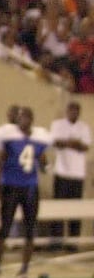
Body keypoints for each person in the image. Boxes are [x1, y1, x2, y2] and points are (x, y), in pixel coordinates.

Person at [0, 106, 50, 278]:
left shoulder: (39, 139)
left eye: (28, 117)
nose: (25, 120)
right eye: (22, 117)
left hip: (30, 187)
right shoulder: (9, 138)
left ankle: (23, 271)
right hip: (10, 186)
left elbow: (44, 163)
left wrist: (45, 164)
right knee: (4, 229)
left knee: (30, 231)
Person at [47, 101, 89, 249]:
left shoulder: (84, 127)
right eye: (71, 110)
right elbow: (55, 142)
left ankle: (72, 243)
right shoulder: (58, 125)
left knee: (75, 209)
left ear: (79, 112)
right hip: (62, 172)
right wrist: (74, 143)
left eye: (76, 111)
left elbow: (85, 146)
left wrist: (68, 143)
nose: (73, 113)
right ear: (67, 111)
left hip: (77, 174)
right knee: (58, 209)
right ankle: (56, 242)